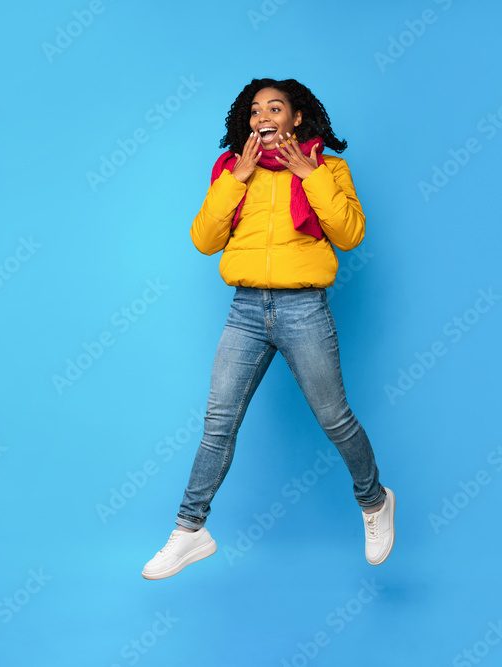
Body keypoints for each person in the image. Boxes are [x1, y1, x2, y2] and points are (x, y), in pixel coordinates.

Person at [142, 78, 394, 580]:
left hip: (304, 309)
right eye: (255, 109)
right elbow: (204, 240)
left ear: (295, 117)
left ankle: (374, 500)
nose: (264, 116)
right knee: (219, 422)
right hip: (246, 310)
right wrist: (236, 178)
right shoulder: (234, 172)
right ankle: (191, 529)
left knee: (335, 419)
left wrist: (311, 174)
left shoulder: (330, 168)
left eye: (275, 107)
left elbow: (350, 233)